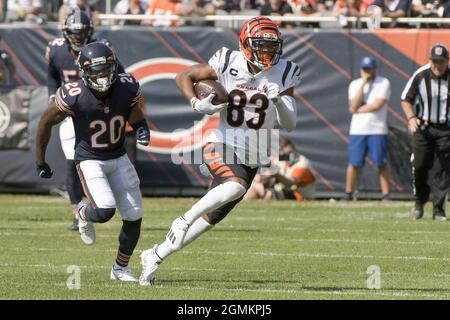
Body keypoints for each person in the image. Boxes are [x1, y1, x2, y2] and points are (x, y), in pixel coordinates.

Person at [139, 16, 300, 286]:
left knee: (212, 217)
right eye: (261, 46)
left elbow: (291, 125)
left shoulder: (285, 71)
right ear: (247, 45)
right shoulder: (228, 60)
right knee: (235, 187)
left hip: (254, 155)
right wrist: (195, 102)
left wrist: (279, 102)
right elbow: (184, 76)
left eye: (272, 47)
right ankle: (182, 219)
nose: (268, 52)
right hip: (221, 143)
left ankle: (154, 254)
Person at [36, 41, 150, 281]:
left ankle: (120, 269)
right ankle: (82, 213)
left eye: (106, 68)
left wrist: (142, 127)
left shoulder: (127, 85)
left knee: (134, 214)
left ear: (114, 66)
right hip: (90, 160)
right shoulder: (73, 95)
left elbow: (134, 111)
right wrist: (40, 160)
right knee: (105, 210)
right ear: (84, 72)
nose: (101, 75)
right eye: (95, 70)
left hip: (118, 156)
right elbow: (45, 122)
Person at [46, 9, 94, 231]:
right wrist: (52, 96)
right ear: (66, 32)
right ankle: (78, 211)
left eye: (81, 32)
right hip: (69, 113)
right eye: (73, 33)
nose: (77, 37)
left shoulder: (100, 48)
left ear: (89, 32)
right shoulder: (56, 50)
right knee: (72, 161)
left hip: (95, 112)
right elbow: (53, 75)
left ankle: (100, 204)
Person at [401, 44, 450, 221]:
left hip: (446, 129)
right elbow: (406, 99)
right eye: (434, 61)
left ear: (447, 61)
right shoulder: (421, 75)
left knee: (442, 169)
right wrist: (411, 118)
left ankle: (438, 210)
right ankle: (419, 202)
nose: (437, 65)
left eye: (441, 61)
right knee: (420, 165)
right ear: (429, 60)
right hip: (424, 128)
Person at [345, 56, 391, 201]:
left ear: (375, 69)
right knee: (354, 163)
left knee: (380, 163)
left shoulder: (383, 82)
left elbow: (377, 104)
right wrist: (363, 83)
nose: (368, 72)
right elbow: (353, 104)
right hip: (358, 130)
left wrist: (357, 110)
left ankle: (386, 195)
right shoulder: (355, 84)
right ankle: (348, 193)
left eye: (370, 69)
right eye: (365, 69)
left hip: (377, 129)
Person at [245, 138, 316, 200]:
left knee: (261, 190)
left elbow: (291, 183)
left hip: (299, 196)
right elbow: (265, 174)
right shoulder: (282, 161)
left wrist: (275, 174)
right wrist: (262, 177)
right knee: (255, 183)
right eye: (285, 154)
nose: (289, 156)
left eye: (291, 152)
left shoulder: (302, 164)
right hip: (283, 192)